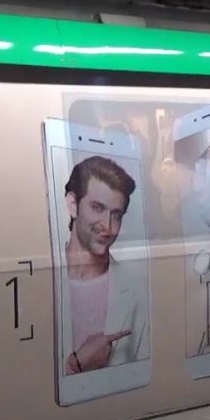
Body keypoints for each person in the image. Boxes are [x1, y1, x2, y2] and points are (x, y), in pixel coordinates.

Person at [62, 155, 149, 375]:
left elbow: (143, 376)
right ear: (73, 205)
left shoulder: (137, 291)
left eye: (116, 215)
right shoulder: (40, 282)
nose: (108, 227)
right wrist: (74, 367)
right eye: (97, 208)